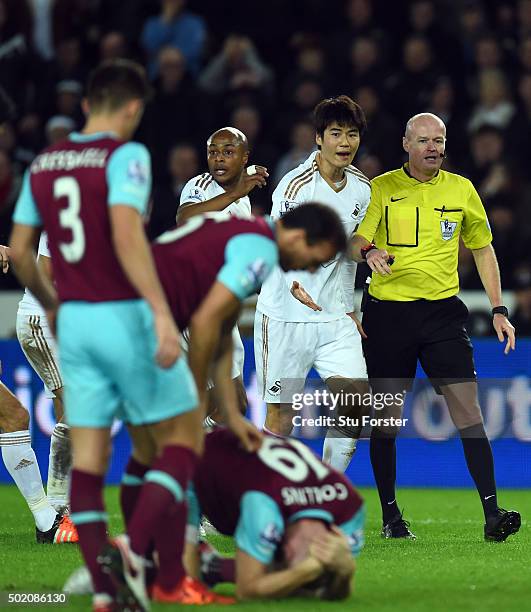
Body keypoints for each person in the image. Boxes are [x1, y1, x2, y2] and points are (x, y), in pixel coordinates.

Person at [8, 59, 228, 612]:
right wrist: (158, 309)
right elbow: (129, 238)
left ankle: (105, 584)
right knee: (175, 430)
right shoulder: (125, 157)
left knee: (88, 445)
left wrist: (56, 311)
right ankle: (155, 558)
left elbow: (21, 253)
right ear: (132, 109)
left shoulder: (46, 162)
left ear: (86, 105)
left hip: (66, 320)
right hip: (107, 317)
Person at [63, 204, 350, 601]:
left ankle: (147, 574)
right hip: (138, 324)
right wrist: (197, 400)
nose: (309, 271)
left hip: (104, 315)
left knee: (147, 452)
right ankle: (134, 553)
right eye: (314, 261)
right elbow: (203, 323)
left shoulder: (239, 230)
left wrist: (229, 413)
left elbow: (223, 324)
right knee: (183, 446)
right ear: (300, 238)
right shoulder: (260, 250)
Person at [352, 112, 520, 542]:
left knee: (469, 411)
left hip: (443, 314)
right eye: (424, 140)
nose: (433, 147)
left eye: (439, 140)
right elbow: (356, 239)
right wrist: (369, 251)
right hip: (390, 315)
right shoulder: (382, 188)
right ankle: (391, 516)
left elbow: (483, 250)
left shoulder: (461, 189)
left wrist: (499, 309)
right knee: (387, 419)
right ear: (407, 144)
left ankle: (492, 514)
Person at [254, 95, 371, 472]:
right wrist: (294, 281)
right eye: (335, 133)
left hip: (334, 319)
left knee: (356, 403)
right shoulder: (294, 187)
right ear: (318, 138)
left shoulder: (362, 188)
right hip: (285, 318)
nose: (344, 143)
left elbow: (350, 248)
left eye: (351, 134)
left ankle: (326, 490)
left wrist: (350, 305)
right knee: (281, 418)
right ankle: (262, 497)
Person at [185, 428, 365, 600]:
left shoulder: (351, 511)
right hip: (191, 464)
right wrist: (304, 572)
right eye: (287, 558)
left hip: (240, 472)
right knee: (183, 580)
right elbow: (247, 590)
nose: (284, 552)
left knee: (279, 577)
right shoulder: (266, 506)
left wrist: (344, 571)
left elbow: (335, 592)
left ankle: (212, 565)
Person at [176, 126, 267, 426]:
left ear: (244, 158)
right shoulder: (201, 185)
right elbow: (185, 218)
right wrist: (235, 192)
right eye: (213, 152)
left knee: (228, 405)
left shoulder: (243, 198)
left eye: (228, 152)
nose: (218, 159)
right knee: (232, 402)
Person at [0, 244, 76, 544]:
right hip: (41, 318)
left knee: (14, 416)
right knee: (14, 416)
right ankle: (51, 518)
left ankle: (50, 519)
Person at [15, 231, 71, 513]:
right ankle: (58, 509)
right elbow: (45, 275)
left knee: (71, 413)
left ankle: (64, 509)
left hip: (61, 325)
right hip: (42, 320)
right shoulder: (67, 216)